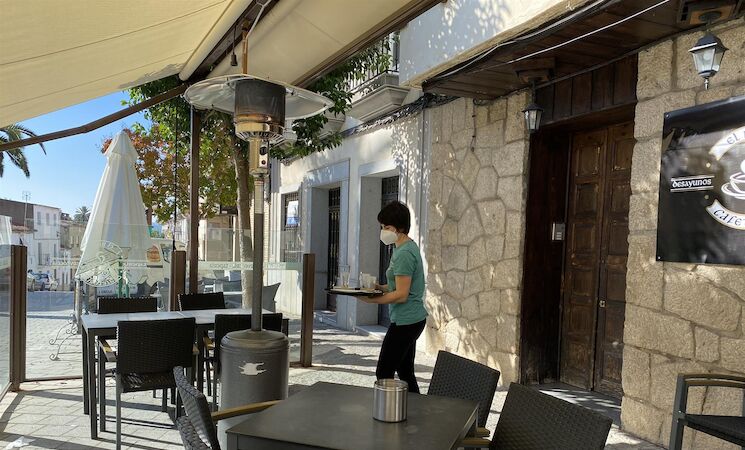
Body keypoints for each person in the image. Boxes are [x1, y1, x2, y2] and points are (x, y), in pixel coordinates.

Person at [358, 201, 428, 393]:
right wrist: (377, 288)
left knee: (384, 372)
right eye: (382, 227)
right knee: (405, 372)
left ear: (400, 227)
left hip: (407, 321)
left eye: (387, 227)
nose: (383, 231)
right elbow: (395, 286)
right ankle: (416, 407)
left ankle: (391, 408)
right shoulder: (402, 248)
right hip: (410, 319)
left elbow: (401, 294)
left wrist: (372, 300)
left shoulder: (404, 253)